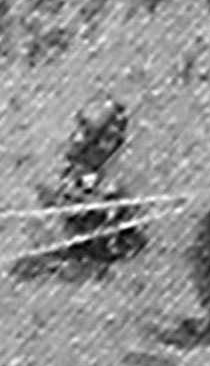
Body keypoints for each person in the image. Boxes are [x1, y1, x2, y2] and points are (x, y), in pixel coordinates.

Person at [32, 98, 147, 272]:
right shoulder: (57, 173)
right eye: (80, 130)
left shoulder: (115, 187)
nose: (78, 139)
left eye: (89, 134)